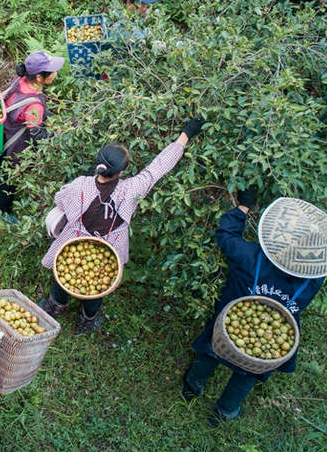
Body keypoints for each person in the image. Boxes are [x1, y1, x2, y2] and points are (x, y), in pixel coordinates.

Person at [182, 193, 327, 426]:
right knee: (250, 372)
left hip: (229, 321)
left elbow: (226, 234)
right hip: (275, 337)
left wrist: (243, 207)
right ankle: (225, 411)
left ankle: (191, 386)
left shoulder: (251, 257)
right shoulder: (313, 280)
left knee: (212, 349)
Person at [38, 117, 206, 333]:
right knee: (99, 286)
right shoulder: (131, 189)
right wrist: (187, 133)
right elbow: (159, 167)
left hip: (75, 239)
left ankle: (53, 308)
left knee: (63, 277)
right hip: (111, 245)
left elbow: (60, 199)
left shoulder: (81, 185)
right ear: (121, 172)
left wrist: (85, 183)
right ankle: (86, 322)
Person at [0, 51, 64, 224]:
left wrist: (48, 115)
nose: (56, 73)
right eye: (53, 71)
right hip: (15, 144)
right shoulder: (34, 106)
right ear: (39, 77)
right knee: (10, 177)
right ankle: (1, 209)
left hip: (1, 132)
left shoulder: (20, 79)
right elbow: (37, 134)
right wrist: (56, 135)